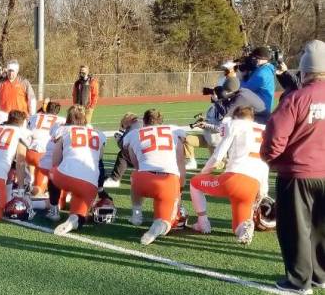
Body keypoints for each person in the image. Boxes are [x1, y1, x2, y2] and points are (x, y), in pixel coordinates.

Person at [261, 39, 325, 295]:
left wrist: (271, 158)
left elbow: (276, 133)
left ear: (305, 69)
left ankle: (299, 280)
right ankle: (320, 274)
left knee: (295, 228)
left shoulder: (297, 98)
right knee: (321, 226)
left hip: (297, 172)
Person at [189, 106, 268, 244]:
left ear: (236, 117)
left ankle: (203, 222)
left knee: (195, 183)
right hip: (253, 184)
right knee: (237, 227)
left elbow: (218, 156)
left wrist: (204, 172)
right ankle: (244, 229)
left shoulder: (234, 124)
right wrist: (263, 190)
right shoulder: (263, 129)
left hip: (234, 178)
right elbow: (265, 162)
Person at [122, 109, 186, 245]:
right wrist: (179, 188)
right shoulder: (174, 131)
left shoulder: (133, 134)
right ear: (161, 121)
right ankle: (157, 227)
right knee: (166, 222)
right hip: (168, 180)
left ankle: (137, 215)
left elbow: (136, 164)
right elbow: (180, 161)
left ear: (144, 122)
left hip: (142, 180)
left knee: (135, 176)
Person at [49, 105, 107, 235]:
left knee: (53, 171)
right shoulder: (98, 134)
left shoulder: (63, 130)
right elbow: (100, 158)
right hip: (89, 183)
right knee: (81, 213)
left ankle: (54, 210)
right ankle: (75, 219)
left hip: (65, 177)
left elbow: (55, 160)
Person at [27, 102, 64, 196]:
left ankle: (29, 180)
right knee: (39, 191)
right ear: (57, 112)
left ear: (46, 109)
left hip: (29, 153)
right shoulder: (61, 120)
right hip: (43, 156)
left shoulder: (35, 116)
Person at [235, 47, 276, 122]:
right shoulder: (263, 69)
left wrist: (239, 77)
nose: (253, 60)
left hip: (261, 112)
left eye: (255, 58)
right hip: (261, 108)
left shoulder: (262, 73)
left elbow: (245, 89)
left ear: (261, 59)